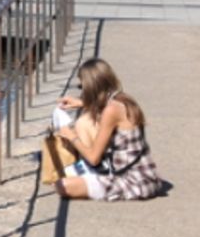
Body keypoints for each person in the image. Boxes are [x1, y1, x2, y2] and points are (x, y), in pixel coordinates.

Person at [53, 58, 164, 201]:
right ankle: (93, 174)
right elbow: (102, 105)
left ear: (91, 87)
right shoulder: (122, 99)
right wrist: (81, 103)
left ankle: (93, 175)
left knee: (62, 185)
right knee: (84, 122)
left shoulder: (111, 111)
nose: (81, 90)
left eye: (82, 87)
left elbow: (93, 158)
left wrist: (72, 136)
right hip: (143, 173)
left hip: (133, 181)